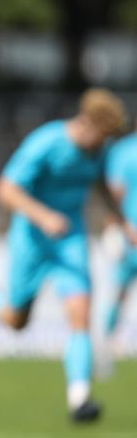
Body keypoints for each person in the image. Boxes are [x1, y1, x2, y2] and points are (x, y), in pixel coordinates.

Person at [0, 89, 130, 422]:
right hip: (32, 237)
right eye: (102, 136)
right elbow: (6, 190)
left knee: (80, 314)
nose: (103, 145)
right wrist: (43, 216)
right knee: (17, 321)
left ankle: (80, 398)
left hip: (70, 237)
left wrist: (120, 220)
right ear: (86, 123)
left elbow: (101, 185)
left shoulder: (98, 151)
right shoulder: (45, 143)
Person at [101, 128, 137, 339]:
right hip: (129, 235)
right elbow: (115, 194)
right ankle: (105, 340)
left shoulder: (122, 150)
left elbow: (114, 195)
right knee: (118, 290)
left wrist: (113, 226)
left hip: (128, 233)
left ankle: (104, 343)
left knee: (118, 290)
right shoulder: (124, 150)